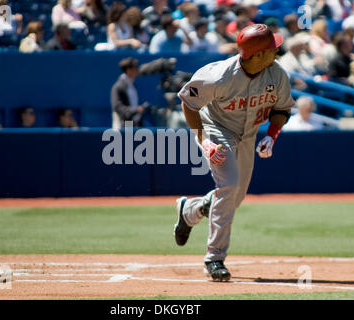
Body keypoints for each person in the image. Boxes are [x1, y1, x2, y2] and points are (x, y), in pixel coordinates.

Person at [175, 24, 295, 281]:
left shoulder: (277, 75)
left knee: (234, 196)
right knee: (229, 187)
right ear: (258, 54)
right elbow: (188, 101)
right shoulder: (218, 75)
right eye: (272, 47)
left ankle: (191, 209)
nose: (277, 50)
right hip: (216, 130)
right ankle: (214, 258)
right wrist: (203, 139)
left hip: (248, 134)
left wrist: (271, 136)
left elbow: (282, 110)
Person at [110, 57, 149, 129]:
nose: (138, 70)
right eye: (135, 68)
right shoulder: (118, 87)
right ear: (129, 70)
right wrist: (135, 110)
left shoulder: (132, 86)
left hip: (135, 124)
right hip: (126, 125)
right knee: (127, 140)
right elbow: (117, 107)